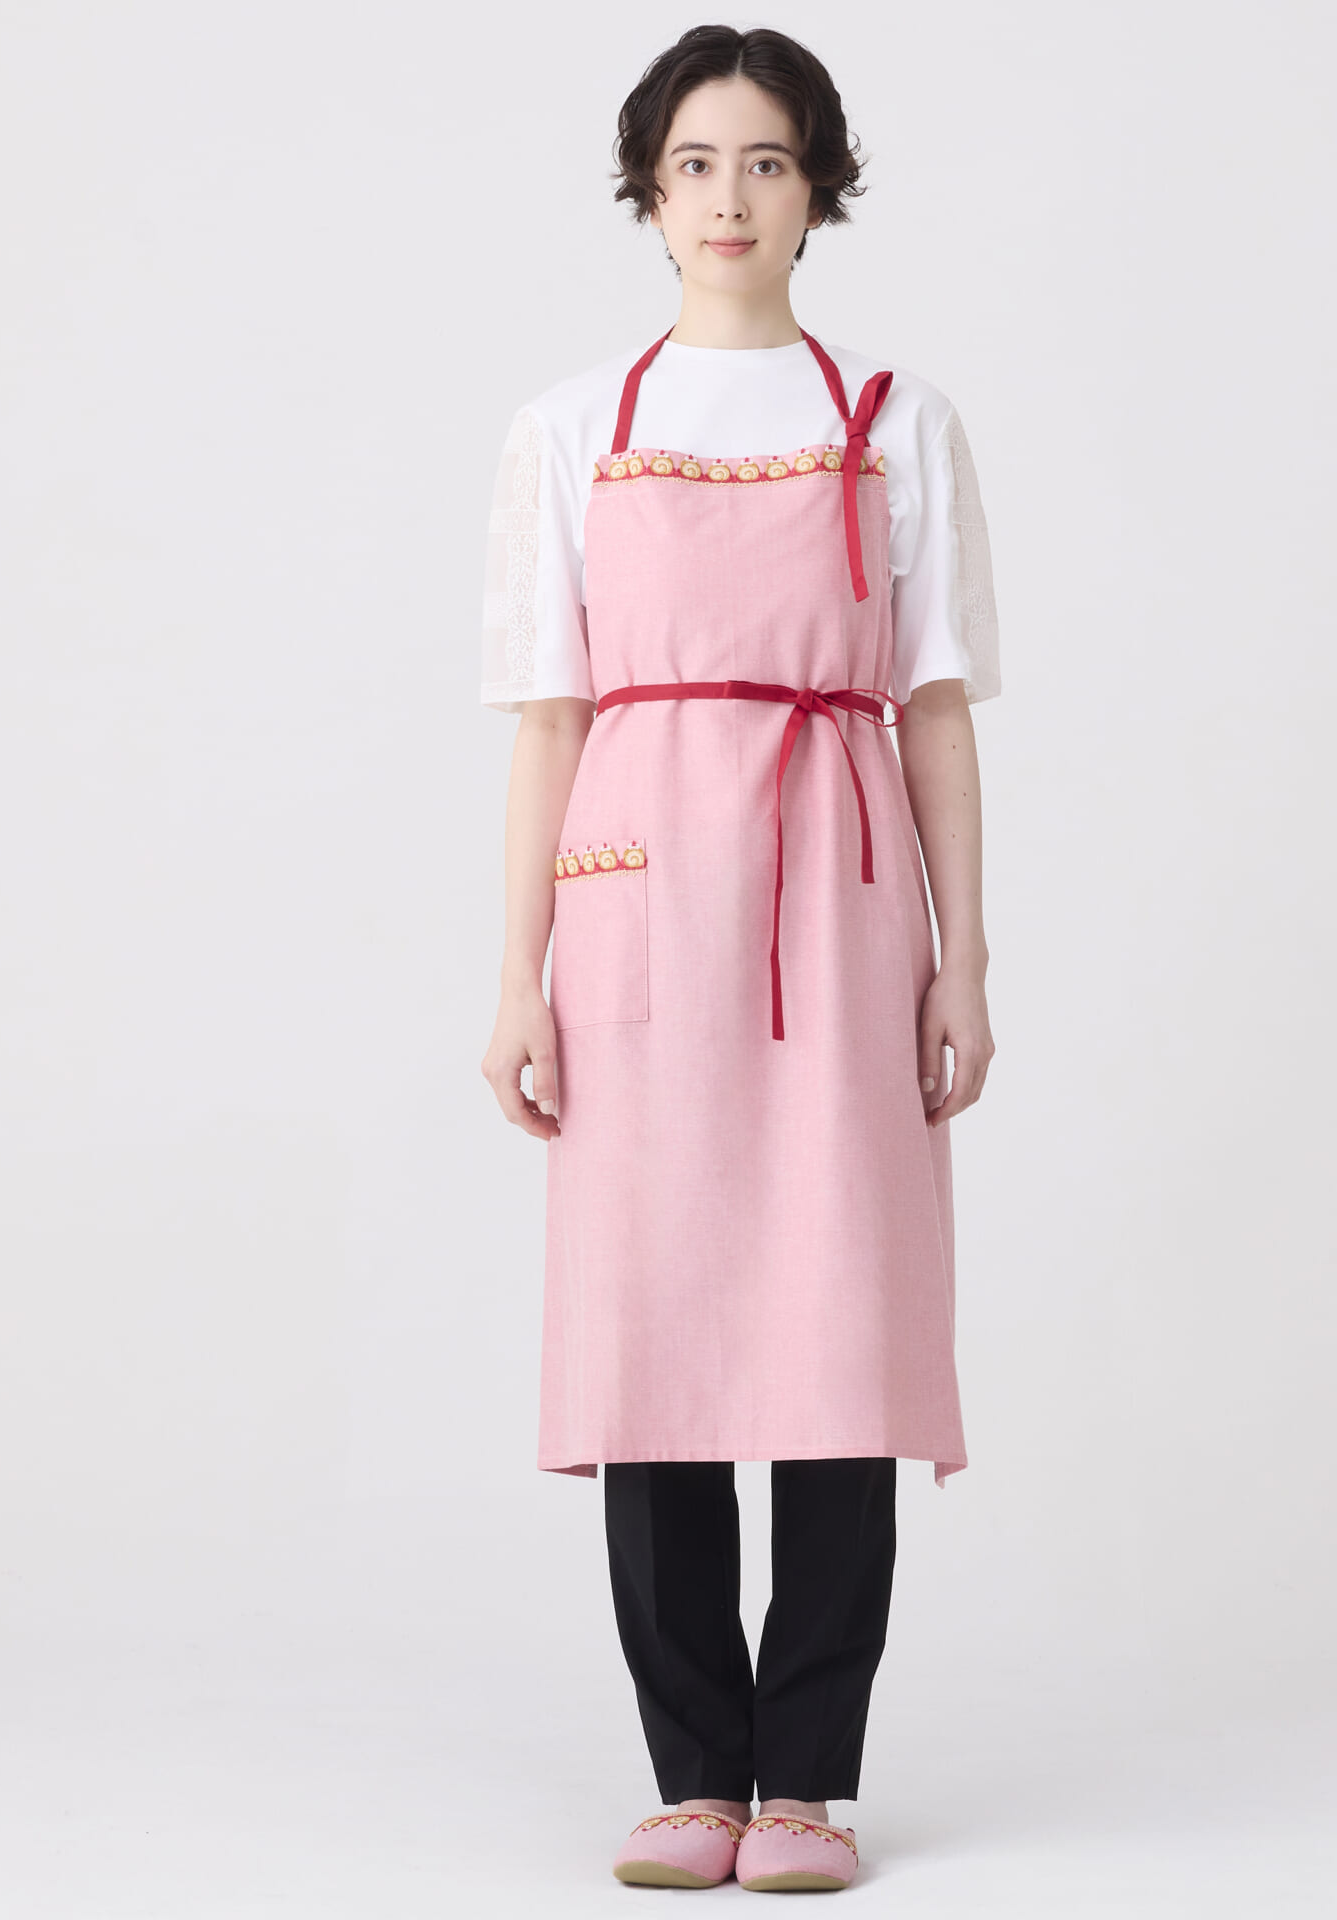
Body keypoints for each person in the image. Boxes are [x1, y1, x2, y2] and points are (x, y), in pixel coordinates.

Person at [478, 24, 1001, 1894]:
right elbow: (550, 719)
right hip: (635, 890)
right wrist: (518, 975)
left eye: (767, 162)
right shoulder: (570, 429)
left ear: (819, 188)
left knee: (837, 1320)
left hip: (839, 893)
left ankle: (810, 1787)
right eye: (695, 163)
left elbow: (935, 709)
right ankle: (695, 1776)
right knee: (656, 1317)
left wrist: (964, 959)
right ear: (647, 189)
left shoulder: (900, 421)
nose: (729, 198)